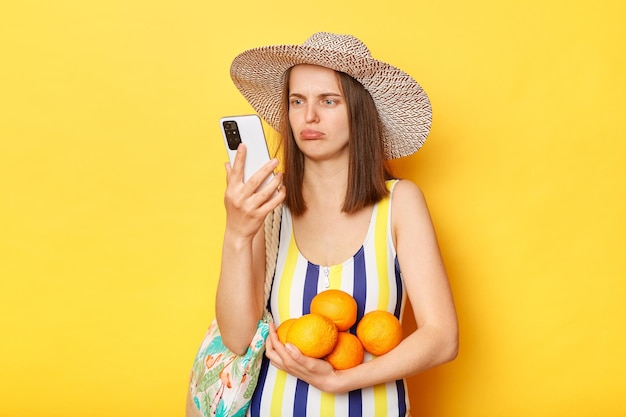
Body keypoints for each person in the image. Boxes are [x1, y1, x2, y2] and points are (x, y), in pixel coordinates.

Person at [215, 32, 458, 417]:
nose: (309, 116)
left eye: (328, 101)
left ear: (359, 112)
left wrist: (341, 381)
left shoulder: (400, 204)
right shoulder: (270, 208)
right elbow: (237, 338)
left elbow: (442, 338)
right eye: (298, 101)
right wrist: (237, 233)